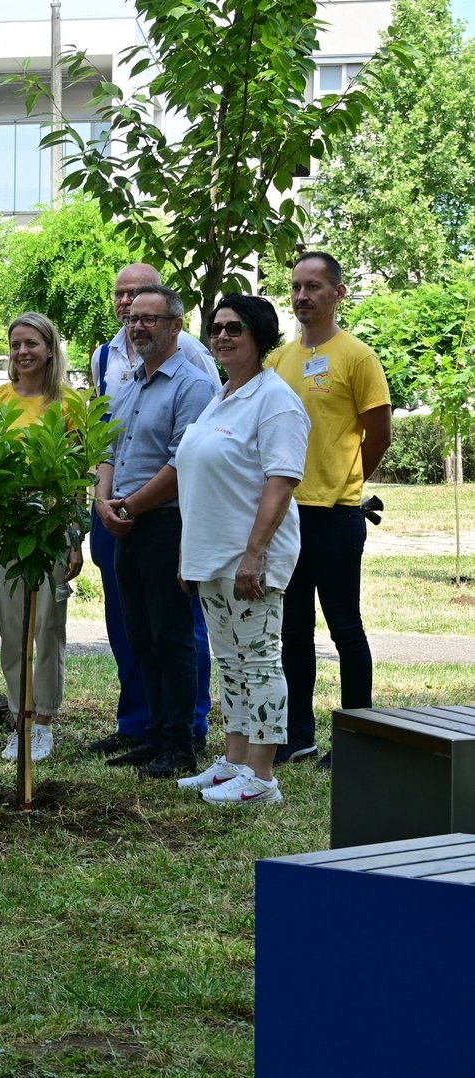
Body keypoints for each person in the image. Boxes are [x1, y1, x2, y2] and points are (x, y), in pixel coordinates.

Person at [176, 295, 308, 805]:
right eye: (216, 329)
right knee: (229, 662)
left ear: (260, 337)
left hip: (249, 558)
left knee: (259, 662)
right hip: (211, 555)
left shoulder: (274, 399)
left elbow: (282, 479)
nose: (223, 337)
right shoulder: (224, 394)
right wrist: (188, 552)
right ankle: (233, 761)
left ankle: (262, 777)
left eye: (235, 329)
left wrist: (255, 554)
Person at [266, 251, 393, 768]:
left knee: (344, 626)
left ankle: (357, 736)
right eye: (296, 287)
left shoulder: (356, 357)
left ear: (337, 293)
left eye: (314, 286)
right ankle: (299, 735)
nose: (302, 296)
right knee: (292, 630)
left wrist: (345, 478)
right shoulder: (279, 361)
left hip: (337, 515)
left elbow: (379, 433)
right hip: (288, 514)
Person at [88, 263, 218, 755]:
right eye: (132, 318)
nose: (137, 326)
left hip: (164, 524)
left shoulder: (192, 384)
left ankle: (180, 740)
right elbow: (106, 451)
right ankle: (152, 734)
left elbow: (183, 463)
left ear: (175, 327)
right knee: (140, 636)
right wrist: (104, 503)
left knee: (173, 637)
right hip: (125, 524)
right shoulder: (129, 386)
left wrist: (131, 507)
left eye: (150, 319)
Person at [0, 313, 83, 763]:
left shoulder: (70, 404)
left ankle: (44, 724)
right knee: (13, 629)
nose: (22, 352)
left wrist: (76, 536)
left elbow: (79, 476)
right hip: (3, 530)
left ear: (50, 349)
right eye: (16, 344)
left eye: (32, 344)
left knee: (48, 626)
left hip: (51, 528)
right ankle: (19, 719)